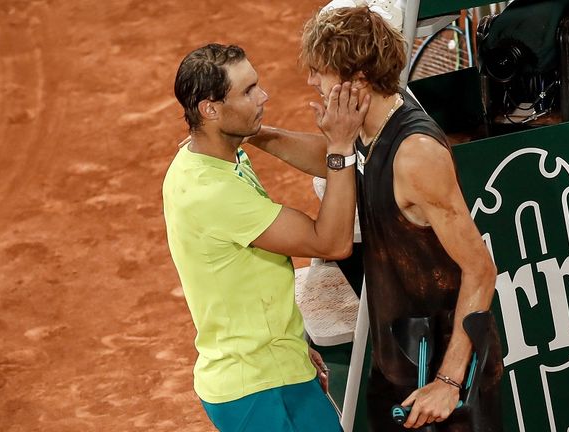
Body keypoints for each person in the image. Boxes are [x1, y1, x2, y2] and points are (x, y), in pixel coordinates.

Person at [247, 6, 503, 431]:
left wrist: (448, 381)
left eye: (321, 71)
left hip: (444, 376)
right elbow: (340, 162)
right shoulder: (369, 128)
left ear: (358, 79)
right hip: (400, 358)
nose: (312, 81)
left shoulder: (416, 155)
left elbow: (480, 269)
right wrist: (259, 135)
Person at [163, 43, 369, 432]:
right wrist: (342, 146)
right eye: (247, 91)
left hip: (277, 366)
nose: (264, 96)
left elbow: (321, 162)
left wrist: (290, 347)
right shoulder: (213, 193)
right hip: (255, 391)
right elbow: (331, 242)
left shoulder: (209, 154)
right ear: (210, 109)